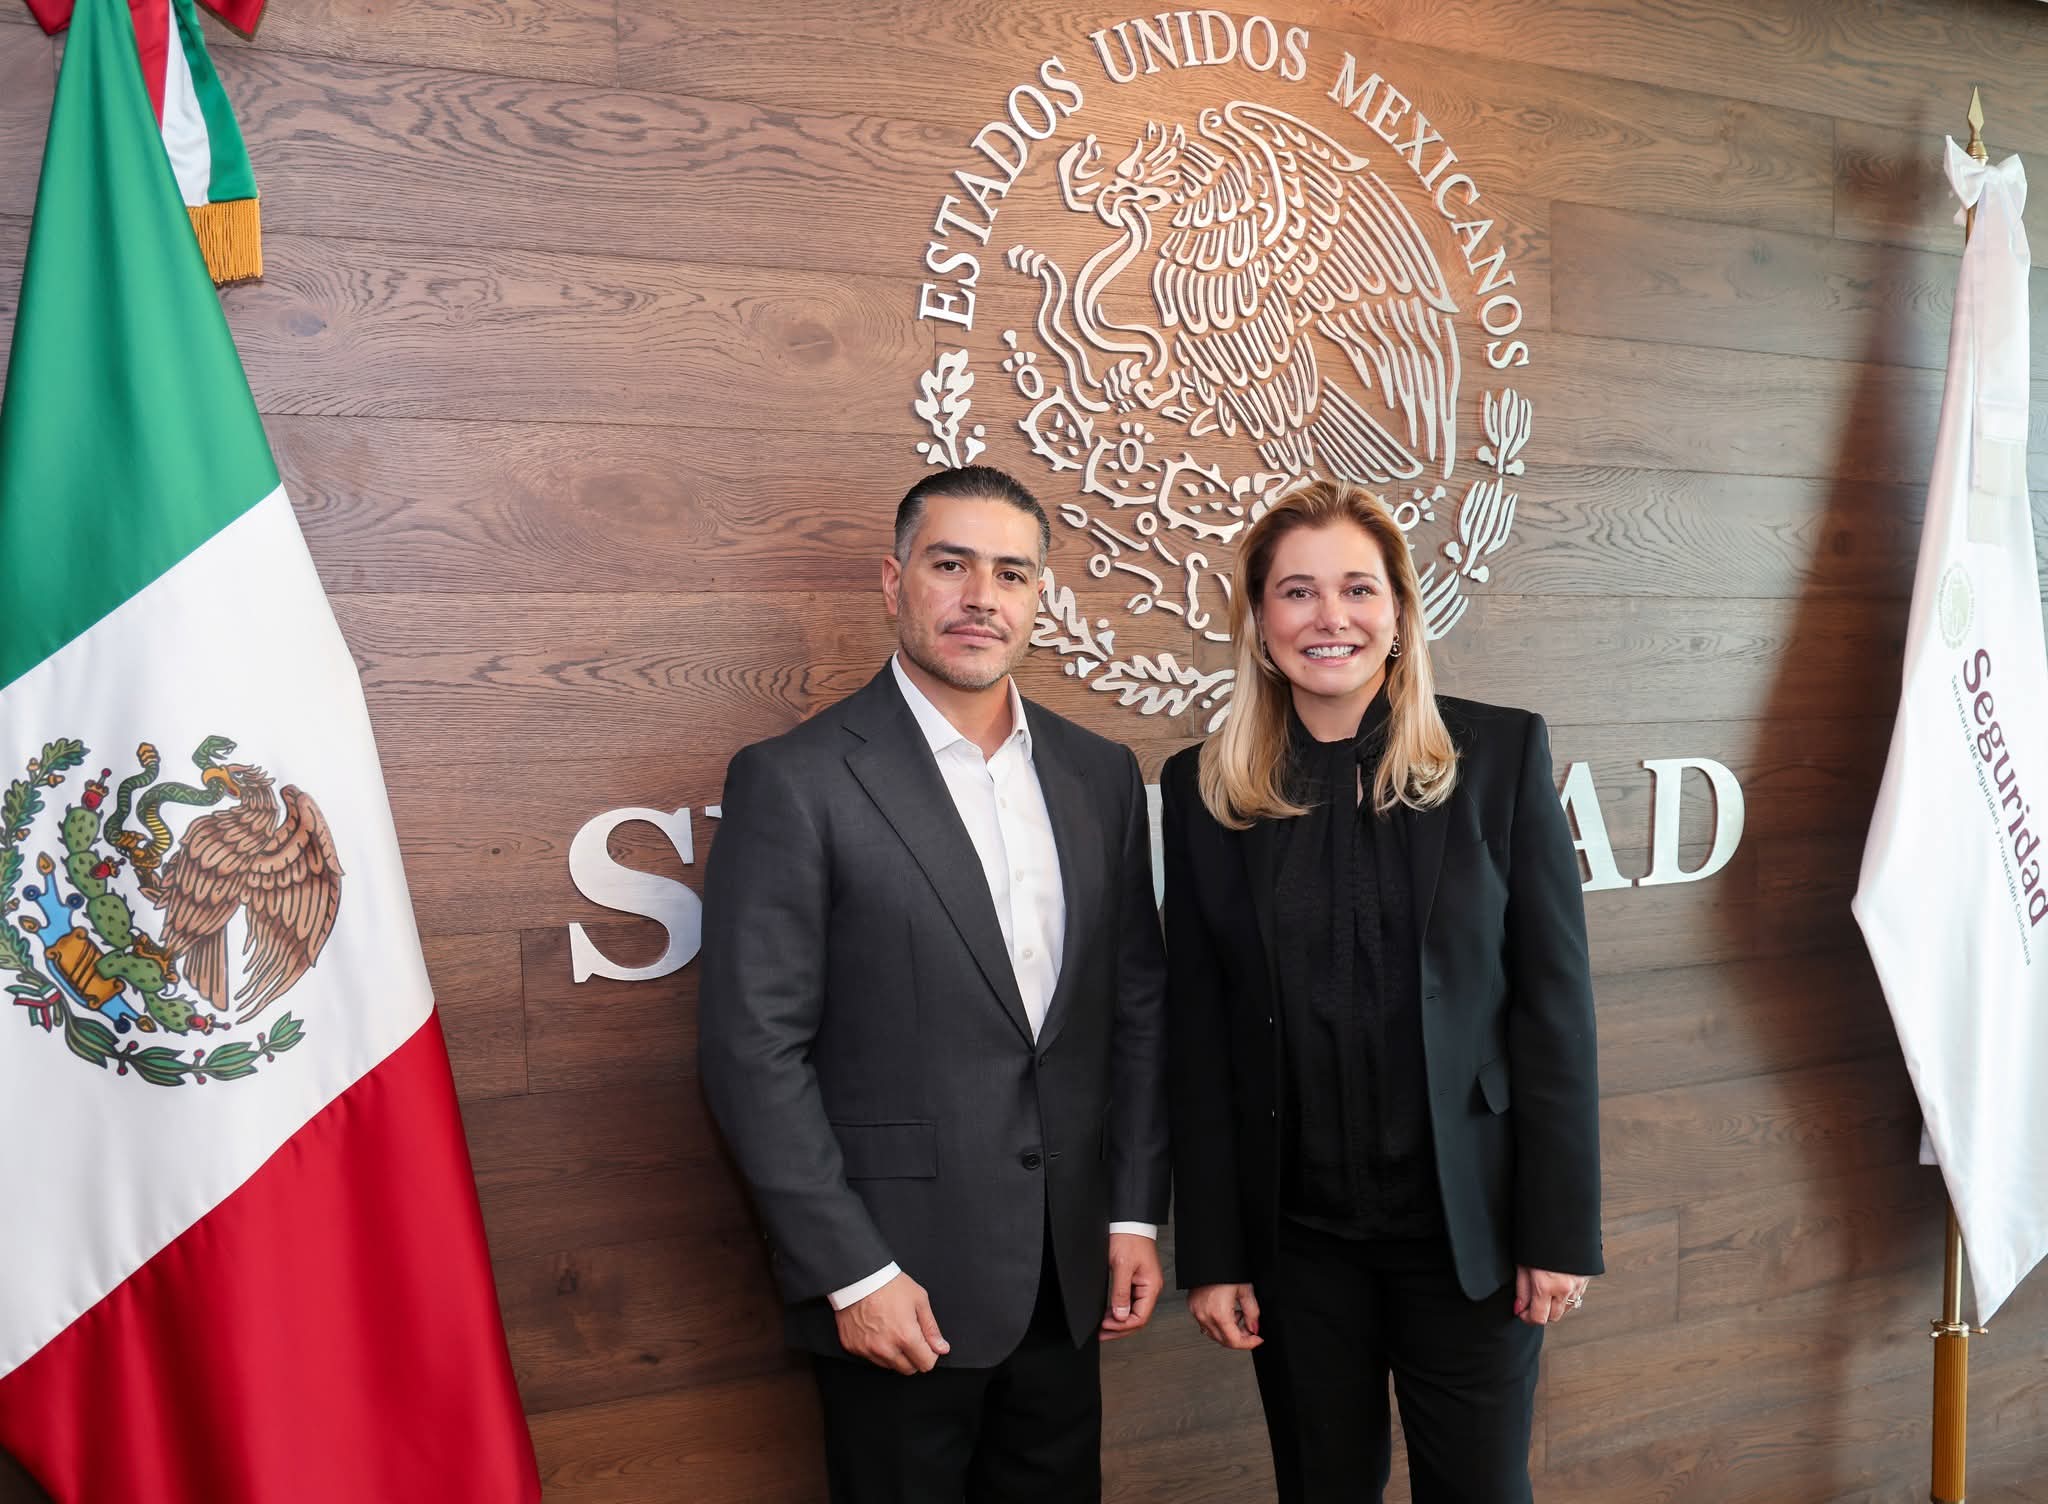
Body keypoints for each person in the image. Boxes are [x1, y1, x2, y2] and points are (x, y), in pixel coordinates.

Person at [698, 464, 1170, 1504]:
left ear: (1038, 596)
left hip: (1062, 1283)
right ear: (893, 580)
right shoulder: (796, 780)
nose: (979, 596)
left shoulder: (1097, 774)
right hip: (895, 1293)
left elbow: (1131, 1010)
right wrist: (852, 1273)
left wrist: (1132, 1213)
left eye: (1010, 572)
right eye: (949, 563)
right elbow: (752, 1053)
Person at [1160, 478, 1601, 1503]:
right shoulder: (1204, 786)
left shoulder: (1496, 754)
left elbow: (1553, 1011)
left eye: (1357, 589)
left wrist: (1555, 1230)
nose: (1329, 618)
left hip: (1470, 1240)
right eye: (1296, 592)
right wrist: (1214, 1255)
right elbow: (1199, 1032)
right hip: (1298, 1252)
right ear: (1259, 621)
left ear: (1398, 612)